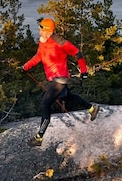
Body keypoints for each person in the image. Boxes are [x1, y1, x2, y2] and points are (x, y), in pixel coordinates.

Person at [22, 18, 99, 147]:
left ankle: (39, 137)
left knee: (45, 104)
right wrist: (26, 66)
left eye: (41, 29)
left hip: (60, 79)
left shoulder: (60, 42)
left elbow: (78, 54)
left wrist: (84, 71)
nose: (39, 31)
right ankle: (91, 109)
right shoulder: (43, 42)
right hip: (55, 79)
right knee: (68, 97)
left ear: (48, 31)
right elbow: (39, 56)